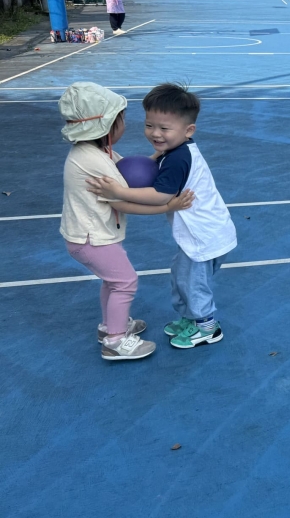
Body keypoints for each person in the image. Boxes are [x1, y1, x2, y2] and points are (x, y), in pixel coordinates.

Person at [88, 84, 238, 349]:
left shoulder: (178, 159)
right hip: (201, 234)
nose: (155, 133)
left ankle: (207, 328)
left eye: (164, 128)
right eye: (149, 125)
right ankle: (191, 319)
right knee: (181, 276)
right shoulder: (177, 150)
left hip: (205, 236)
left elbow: (160, 196)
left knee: (193, 283)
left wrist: (118, 192)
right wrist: (155, 155)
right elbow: (154, 163)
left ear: (188, 130)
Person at [60, 82, 194, 360]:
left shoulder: (96, 152)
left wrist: (160, 154)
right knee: (125, 282)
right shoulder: (92, 161)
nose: (124, 124)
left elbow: (131, 170)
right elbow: (121, 201)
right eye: (120, 119)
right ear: (108, 126)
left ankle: (110, 326)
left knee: (112, 281)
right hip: (92, 239)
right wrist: (167, 206)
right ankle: (116, 341)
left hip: (92, 235)